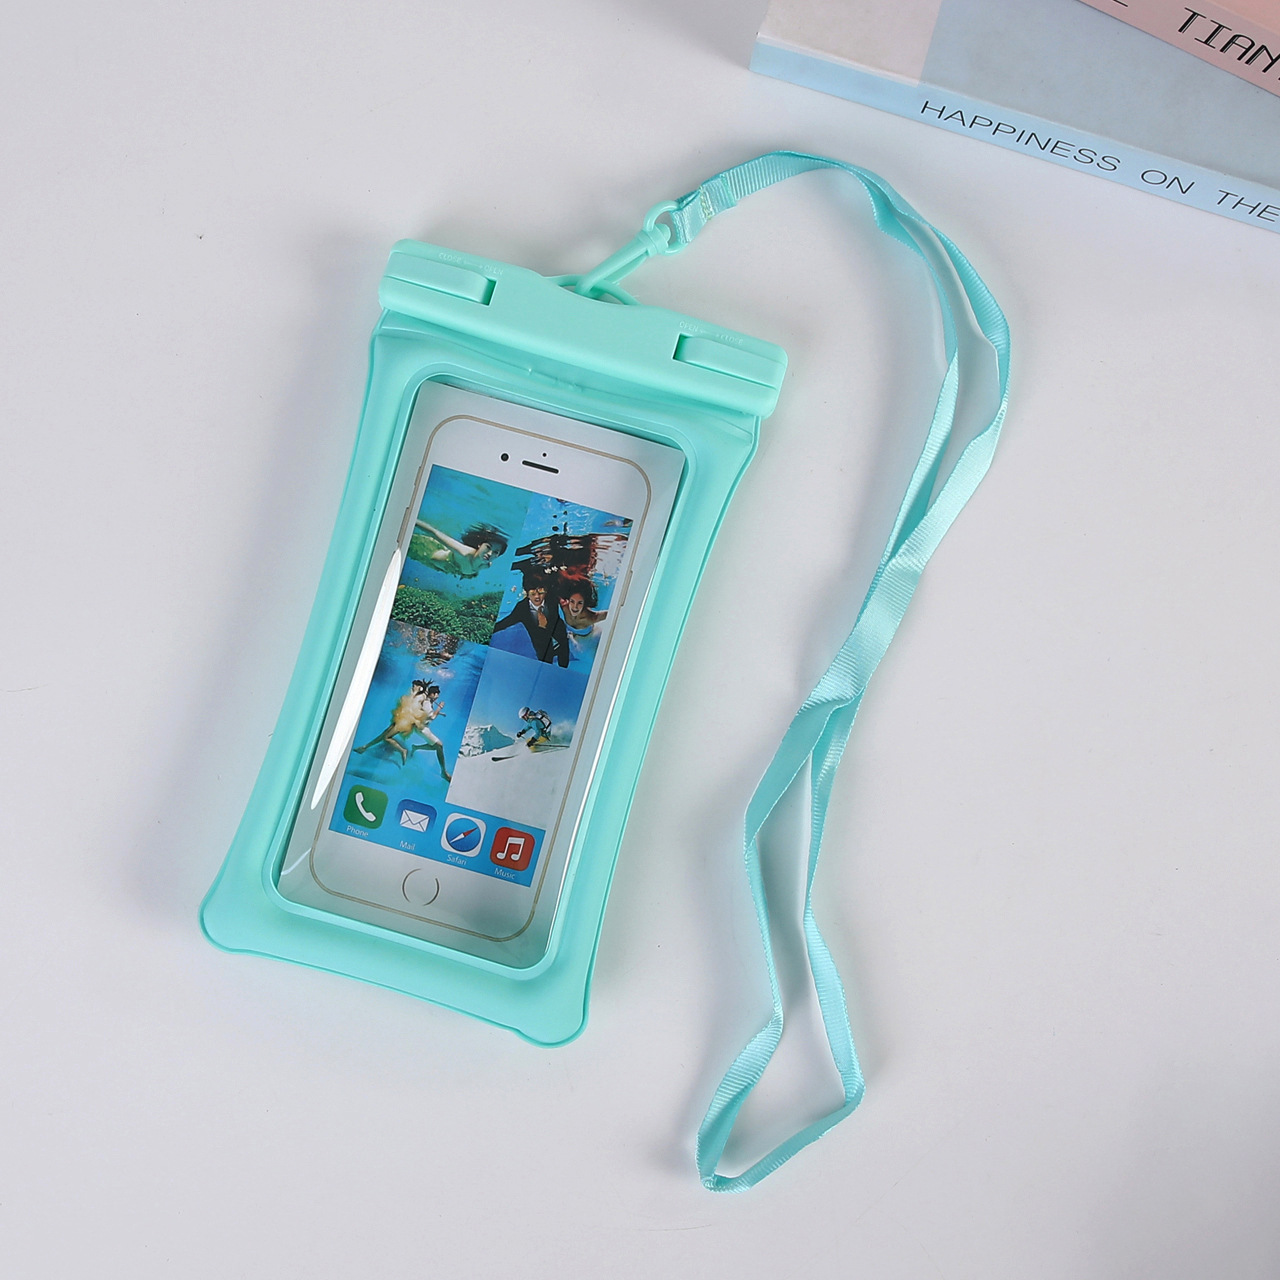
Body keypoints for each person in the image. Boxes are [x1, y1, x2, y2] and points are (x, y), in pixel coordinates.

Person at [354, 680, 451, 781]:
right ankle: (442, 772)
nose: (412, 688)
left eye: (414, 686)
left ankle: (366, 747)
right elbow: (430, 715)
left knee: (386, 734)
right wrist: (439, 708)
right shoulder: (423, 699)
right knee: (386, 735)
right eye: (436, 694)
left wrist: (438, 711)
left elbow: (424, 709)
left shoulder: (423, 697)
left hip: (408, 719)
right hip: (412, 722)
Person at [492, 578, 570, 666]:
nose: (537, 597)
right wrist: (491, 630)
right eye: (533, 594)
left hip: (560, 637)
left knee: (564, 660)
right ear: (527, 594)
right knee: (546, 663)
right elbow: (507, 622)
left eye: (540, 593)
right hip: (541, 643)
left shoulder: (551, 598)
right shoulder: (522, 608)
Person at [412, 519, 508, 578]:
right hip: (424, 550)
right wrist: (412, 520)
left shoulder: (486, 565)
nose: (490, 554)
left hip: (437, 566)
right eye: (488, 547)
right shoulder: (463, 553)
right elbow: (435, 533)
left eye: (496, 552)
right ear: (480, 545)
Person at [559, 581, 608, 668]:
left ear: (584, 604)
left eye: (580, 603)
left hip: (590, 640)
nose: (575, 607)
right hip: (571, 639)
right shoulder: (564, 607)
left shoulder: (590, 617)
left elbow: (614, 613)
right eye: (572, 601)